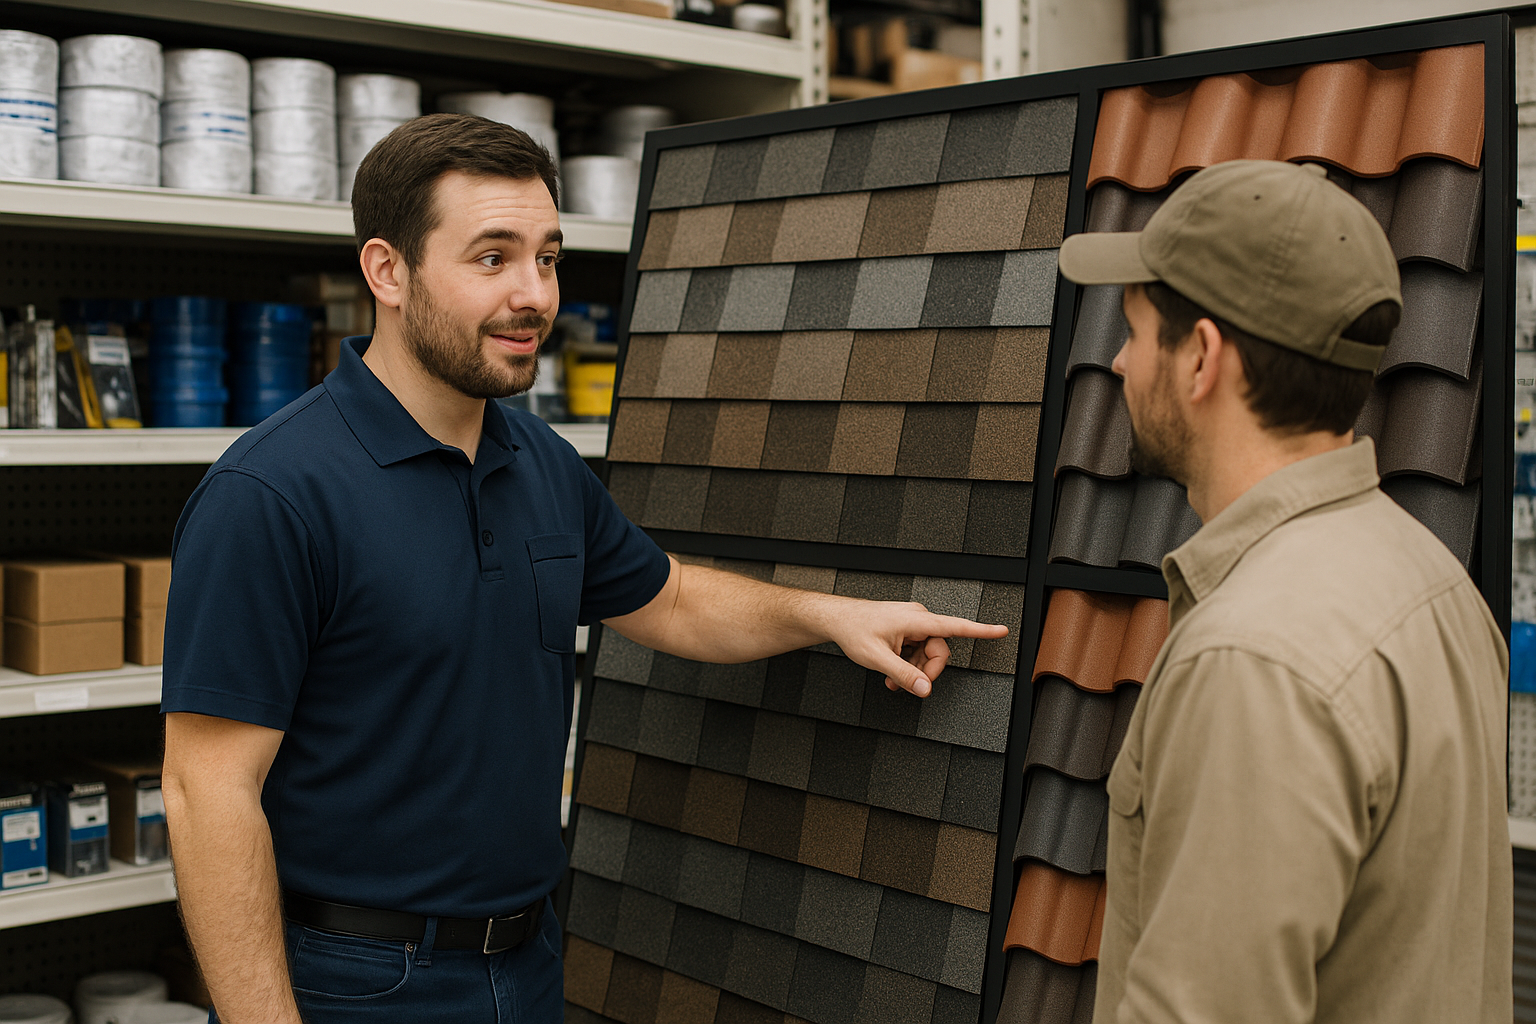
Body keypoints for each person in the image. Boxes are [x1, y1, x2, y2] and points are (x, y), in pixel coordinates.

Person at [159, 113, 1008, 1024]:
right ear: (388, 271)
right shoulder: (271, 494)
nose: (534, 294)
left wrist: (827, 615)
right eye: (493, 258)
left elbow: (671, 599)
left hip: (525, 965)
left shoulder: (539, 461)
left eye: (548, 257)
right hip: (354, 982)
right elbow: (208, 794)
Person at [1057, 159, 1511, 1024]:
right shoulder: (1436, 585)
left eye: (1136, 329)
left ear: (1200, 359)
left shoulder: (1254, 657)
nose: (1116, 362)